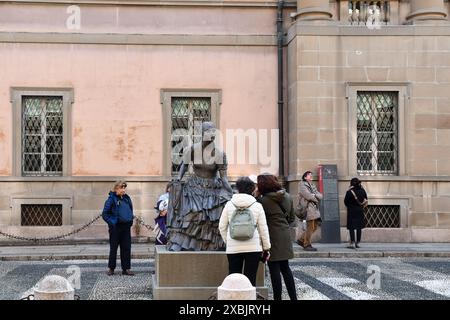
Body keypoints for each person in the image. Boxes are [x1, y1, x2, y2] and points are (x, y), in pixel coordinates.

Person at [166, 122, 233, 251]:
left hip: (213, 188)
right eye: (209, 131)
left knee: (215, 214)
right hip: (194, 186)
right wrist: (178, 179)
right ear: (202, 133)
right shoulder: (192, 149)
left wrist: (230, 192)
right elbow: (184, 166)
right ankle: (186, 242)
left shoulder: (219, 154)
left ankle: (212, 242)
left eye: (214, 131)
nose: (212, 134)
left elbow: (223, 178)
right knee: (193, 212)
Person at [219, 177, 271, 286]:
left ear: (238, 189)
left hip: (233, 248)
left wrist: (228, 241)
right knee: (250, 280)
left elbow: (222, 226)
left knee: (233, 280)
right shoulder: (257, 206)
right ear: (252, 189)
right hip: (253, 248)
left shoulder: (229, 205)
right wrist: (266, 247)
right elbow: (263, 229)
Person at [256, 174, 297, 300]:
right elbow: (291, 218)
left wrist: (256, 196)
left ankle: (277, 298)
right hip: (285, 234)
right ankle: (293, 298)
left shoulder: (263, 201)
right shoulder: (288, 197)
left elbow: (257, 217)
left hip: (271, 236)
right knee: (286, 268)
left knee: (274, 268)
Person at [102, 181, 135, 276]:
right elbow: (105, 214)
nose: (123, 190)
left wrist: (130, 220)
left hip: (126, 227)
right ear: (116, 189)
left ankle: (126, 269)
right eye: (122, 188)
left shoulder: (127, 198)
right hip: (115, 227)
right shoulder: (111, 199)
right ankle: (111, 268)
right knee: (114, 248)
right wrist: (113, 222)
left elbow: (130, 210)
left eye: (124, 188)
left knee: (126, 248)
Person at [297, 171, 323, 252]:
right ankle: (307, 244)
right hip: (308, 209)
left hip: (314, 208)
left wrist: (314, 196)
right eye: (309, 175)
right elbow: (307, 196)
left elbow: (320, 195)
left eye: (311, 175)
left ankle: (301, 240)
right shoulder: (302, 184)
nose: (311, 176)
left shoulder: (312, 185)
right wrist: (315, 197)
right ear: (305, 177)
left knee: (314, 226)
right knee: (310, 227)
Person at [344, 177, 368, 249]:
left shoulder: (349, 192)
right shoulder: (362, 191)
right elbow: (366, 199)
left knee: (351, 227)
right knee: (359, 227)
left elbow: (345, 202)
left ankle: (352, 242)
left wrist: (350, 206)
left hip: (351, 211)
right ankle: (358, 242)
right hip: (360, 210)